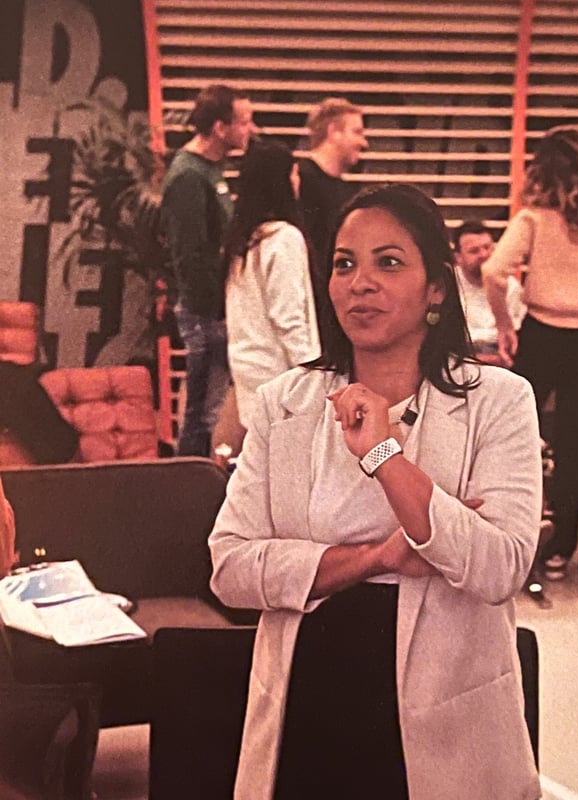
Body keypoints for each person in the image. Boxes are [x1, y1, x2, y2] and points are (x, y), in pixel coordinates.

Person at [209, 183, 542, 800]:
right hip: (307, 703)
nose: (359, 283)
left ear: (435, 287)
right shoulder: (286, 403)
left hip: (448, 719)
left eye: (388, 262)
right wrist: (380, 557)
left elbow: (500, 565)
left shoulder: (498, 401)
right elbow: (230, 567)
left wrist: (383, 455)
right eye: (344, 264)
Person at [482, 125, 578, 580]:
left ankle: (509, 532)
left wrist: (504, 324)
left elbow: (493, 271)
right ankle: (561, 550)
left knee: (515, 433)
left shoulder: (533, 219)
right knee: (575, 444)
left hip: (542, 332)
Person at [161, 84, 255, 456]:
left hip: (216, 308)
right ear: (220, 127)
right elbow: (191, 255)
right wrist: (214, 311)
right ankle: (187, 478)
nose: (250, 130)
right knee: (201, 415)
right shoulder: (189, 176)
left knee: (209, 411)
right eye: (244, 122)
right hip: (205, 312)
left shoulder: (211, 170)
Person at [224, 139, 320, 430]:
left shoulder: (243, 241)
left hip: (247, 366)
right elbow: (288, 317)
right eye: (293, 174)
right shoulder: (283, 238)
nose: (297, 181)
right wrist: (314, 374)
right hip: (280, 374)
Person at [298, 97, 368, 279]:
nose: (364, 143)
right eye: (357, 132)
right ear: (333, 131)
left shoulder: (347, 192)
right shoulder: (300, 180)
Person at [452, 220, 525, 366]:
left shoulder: (511, 286)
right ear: (458, 258)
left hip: (501, 354)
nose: (484, 254)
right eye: (474, 251)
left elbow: (516, 334)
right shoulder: (448, 286)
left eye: (488, 248)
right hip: (460, 354)